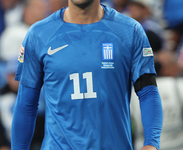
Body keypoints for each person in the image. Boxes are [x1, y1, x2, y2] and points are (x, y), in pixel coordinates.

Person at [11, 0, 163, 149]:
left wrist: (151, 144)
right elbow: (26, 104)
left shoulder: (130, 31)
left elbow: (148, 92)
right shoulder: (38, 34)